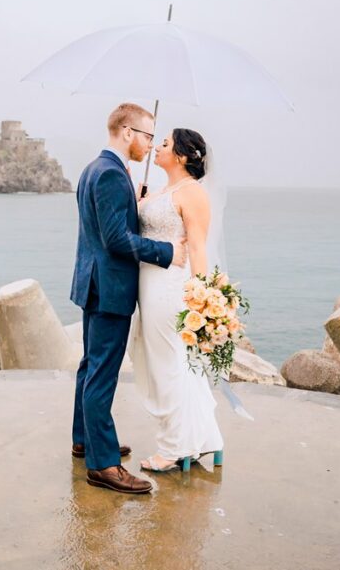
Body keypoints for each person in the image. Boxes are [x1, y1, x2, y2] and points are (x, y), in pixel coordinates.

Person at [70, 103, 187, 495]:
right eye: (148, 135)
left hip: (93, 283)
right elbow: (115, 240)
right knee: (102, 373)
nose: (151, 144)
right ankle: (103, 465)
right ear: (126, 132)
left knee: (90, 366)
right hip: (109, 290)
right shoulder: (110, 175)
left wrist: (131, 205)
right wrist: (167, 252)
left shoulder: (97, 169)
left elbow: (106, 226)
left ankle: (86, 441)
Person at [128, 128, 225, 473]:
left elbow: (198, 248)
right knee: (173, 365)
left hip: (170, 289)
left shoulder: (192, 193)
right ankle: (206, 439)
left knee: (169, 366)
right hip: (149, 286)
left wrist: (202, 296)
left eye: (165, 144)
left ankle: (174, 448)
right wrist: (139, 201)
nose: (157, 147)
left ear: (182, 156)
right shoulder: (162, 190)